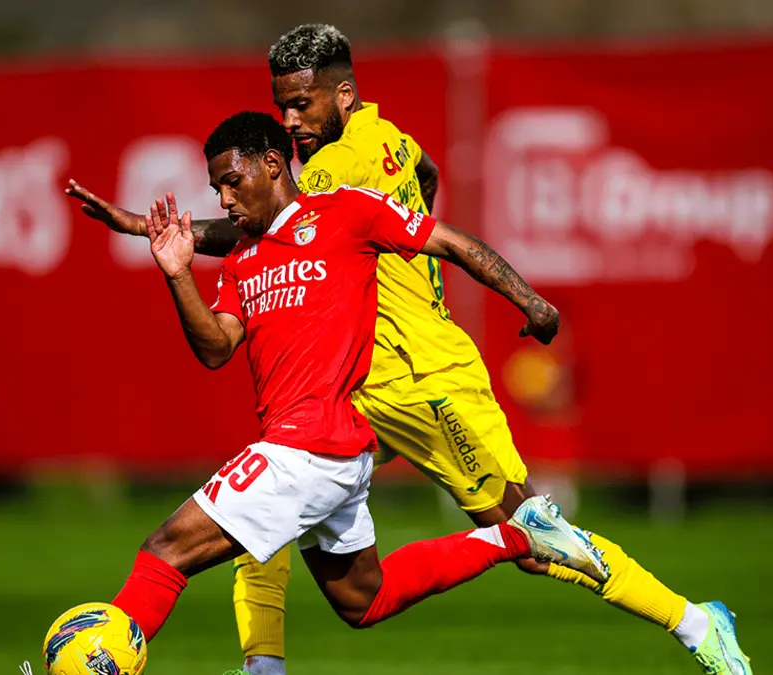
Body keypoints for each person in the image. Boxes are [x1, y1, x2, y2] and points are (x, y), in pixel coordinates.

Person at [67, 25, 752, 675]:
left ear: (342, 95)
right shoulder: (387, 137)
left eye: (302, 105)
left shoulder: (333, 173)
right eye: (283, 107)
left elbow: (273, 222)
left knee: (532, 534)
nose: (292, 121)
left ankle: (696, 623)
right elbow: (425, 172)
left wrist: (149, 228)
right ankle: (263, 664)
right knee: (267, 515)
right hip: (358, 385)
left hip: (421, 377)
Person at [107, 111, 607, 660]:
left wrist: (530, 300)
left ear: (272, 164)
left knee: (165, 549)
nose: (224, 200)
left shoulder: (346, 212)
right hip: (329, 455)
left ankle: (104, 662)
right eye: (216, 189)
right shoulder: (242, 257)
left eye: (231, 181)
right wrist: (178, 274)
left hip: (307, 447)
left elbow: (453, 242)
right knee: (364, 600)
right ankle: (519, 534)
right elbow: (217, 348)